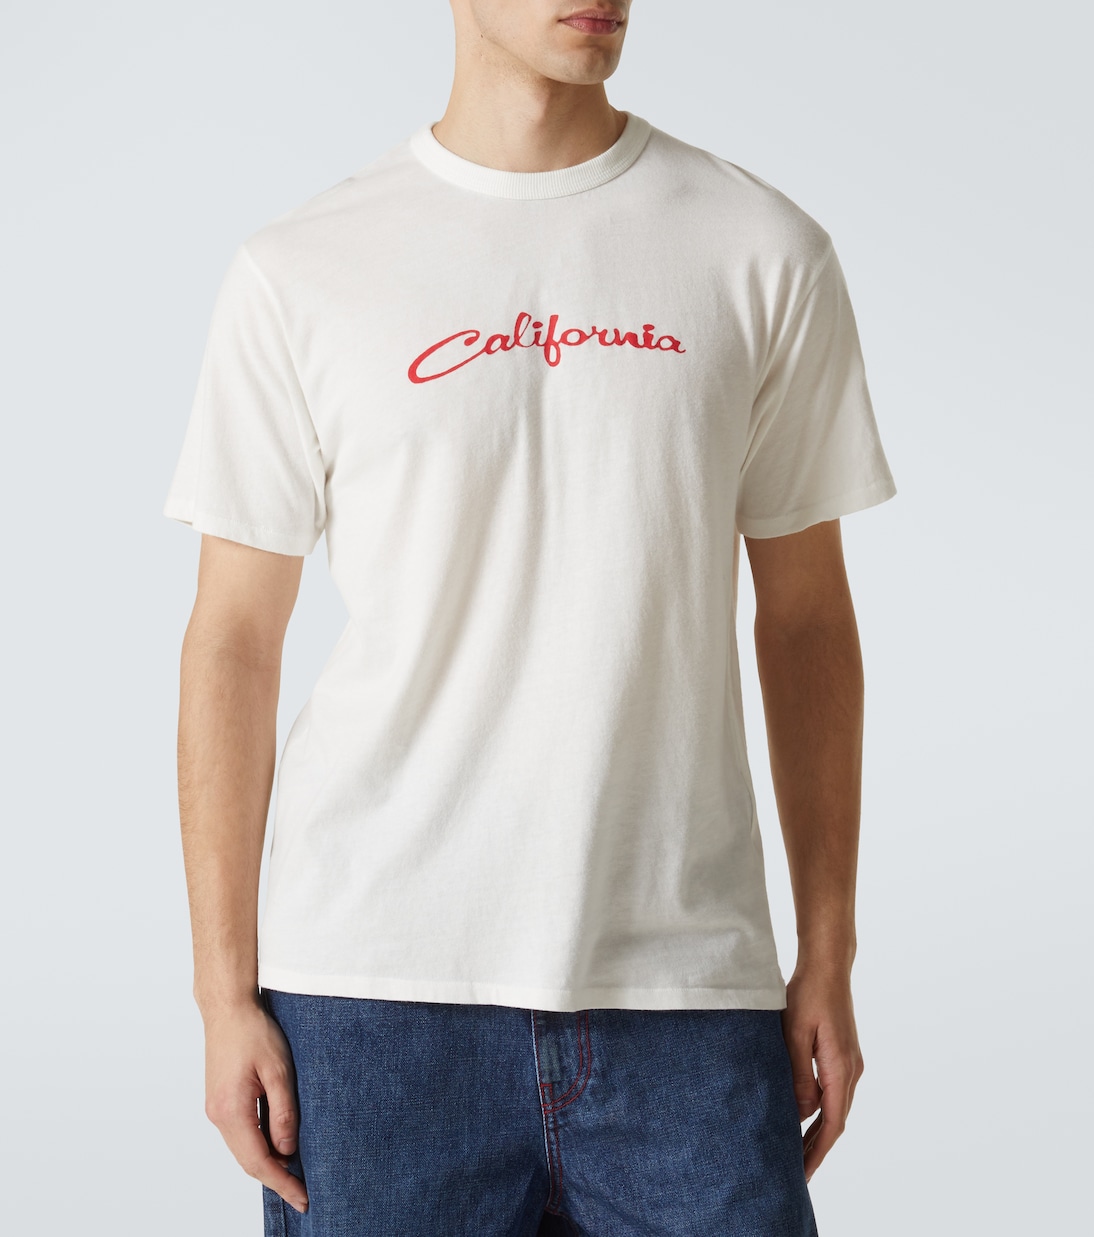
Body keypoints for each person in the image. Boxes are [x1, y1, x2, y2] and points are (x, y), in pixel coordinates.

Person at [164, 2, 896, 1233]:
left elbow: (807, 618)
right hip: (370, 999)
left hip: (685, 995)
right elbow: (233, 639)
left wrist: (828, 949)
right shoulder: (304, 268)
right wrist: (219, 993)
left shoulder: (759, 249)